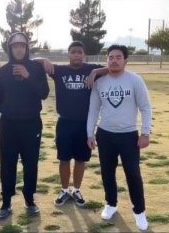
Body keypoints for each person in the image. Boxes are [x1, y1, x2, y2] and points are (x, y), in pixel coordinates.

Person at [86, 45, 152, 231]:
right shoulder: (100, 82)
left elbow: (145, 108)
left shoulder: (135, 80)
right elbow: (93, 110)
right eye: (110, 57)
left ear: (125, 61)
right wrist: (90, 134)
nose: (114, 60)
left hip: (129, 136)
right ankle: (111, 204)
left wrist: (145, 133)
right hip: (105, 134)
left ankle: (139, 212)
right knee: (107, 172)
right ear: (106, 60)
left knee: (133, 174)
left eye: (118, 57)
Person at [35, 41, 103, 207]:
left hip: (84, 124)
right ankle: (65, 190)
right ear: (69, 55)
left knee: (81, 159)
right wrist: (44, 59)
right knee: (64, 158)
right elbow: (32, 60)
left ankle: (76, 189)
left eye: (80, 52)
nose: (77, 55)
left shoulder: (90, 69)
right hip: (64, 122)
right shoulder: (60, 71)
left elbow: (113, 67)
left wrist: (96, 71)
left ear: (84, 55)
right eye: (73, 52)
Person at [0, 32, 49, 219]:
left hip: (32, 125)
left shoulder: (36, 68)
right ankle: (6, 202)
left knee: (31, 164)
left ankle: (29, 199)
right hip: (8, 125)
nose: (19, 49)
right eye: (15, 46)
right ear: (10, 48)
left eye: (22, 45)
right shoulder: (2, 71)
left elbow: (44, 93)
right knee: (7, 165)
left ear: (27, 48)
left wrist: (28, 76)